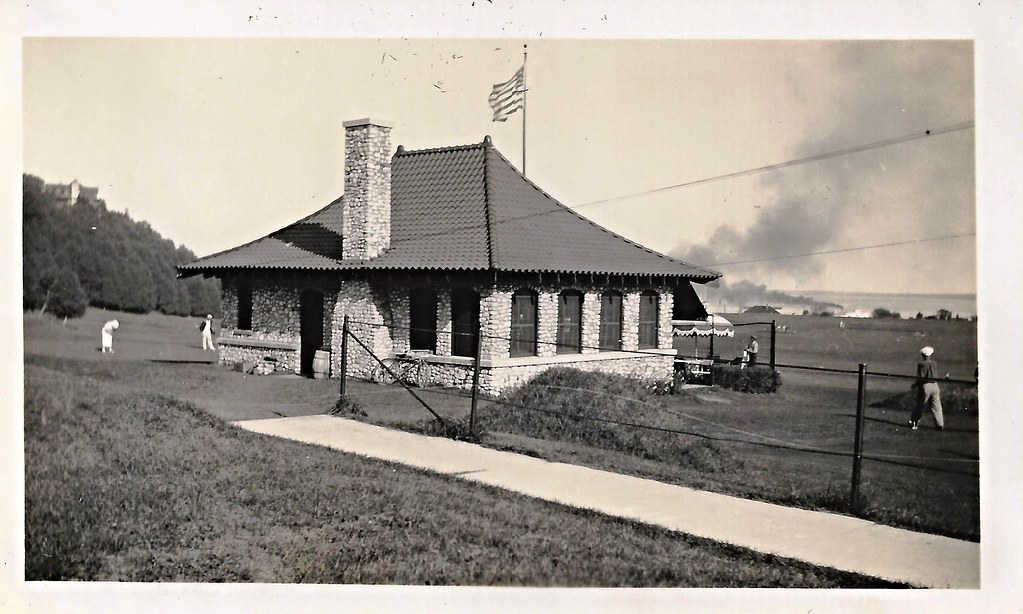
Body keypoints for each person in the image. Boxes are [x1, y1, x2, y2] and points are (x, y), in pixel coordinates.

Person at [908, 346, 944, 431]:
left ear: (923, 355)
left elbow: (921, 377)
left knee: (919, 405)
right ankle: (940, 424)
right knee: (937, 406)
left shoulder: (921, 364)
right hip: (935, 385)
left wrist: (915, 385)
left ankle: (914, 423)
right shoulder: (934, 363)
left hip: (926, 386)